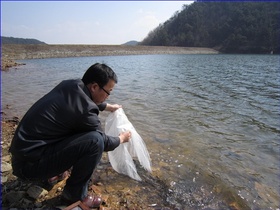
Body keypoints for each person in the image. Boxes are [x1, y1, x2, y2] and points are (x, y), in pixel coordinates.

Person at [9, 63, 131, 208]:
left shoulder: (71, 85)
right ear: (94, 87)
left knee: (76, 130)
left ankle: (54, 172)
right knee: (95, 141)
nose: (108, 96)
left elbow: (80, 103)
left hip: (21, 159)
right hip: (29, 168)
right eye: (108, 91)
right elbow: (105, 142)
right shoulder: (86, 111)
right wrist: (121, 138)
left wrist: (107, 106)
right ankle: (74, 196)